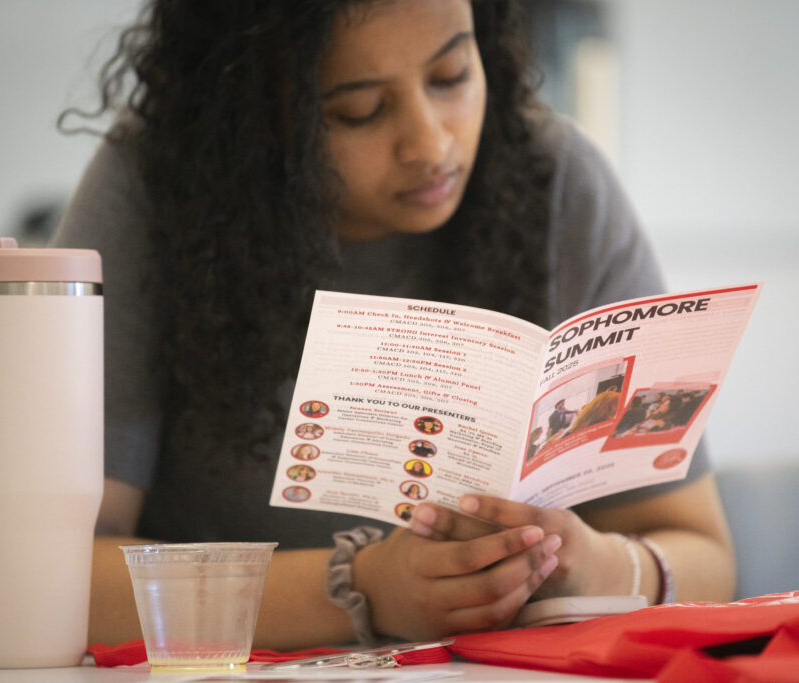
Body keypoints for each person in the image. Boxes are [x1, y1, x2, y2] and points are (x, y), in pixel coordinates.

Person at [53, 0, 735, 651]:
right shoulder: (155, 190)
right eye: (360, 110)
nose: (430, 142)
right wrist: (361, 587)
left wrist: (604, 570)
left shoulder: (557, 183)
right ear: (256, 112)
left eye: (452, 76)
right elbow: (54, 579)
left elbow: (704, 556)